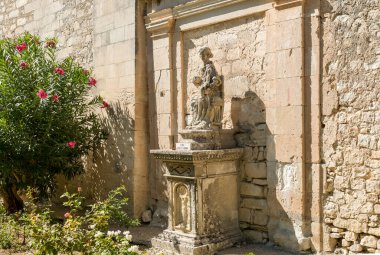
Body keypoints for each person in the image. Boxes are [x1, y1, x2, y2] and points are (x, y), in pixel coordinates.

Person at [188, 47, 223, 130]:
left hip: (212, 91)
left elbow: (217, 79)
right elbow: (201, 80)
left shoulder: (210, 67)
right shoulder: (201, 68)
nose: (202, 57)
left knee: (204, 100)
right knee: (195, 100)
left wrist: (214, 81)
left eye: (203, 55)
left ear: (207, 56)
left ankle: (205, 121)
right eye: (201, 56)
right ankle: (196, 121)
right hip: (203, 90)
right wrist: (196, 80)